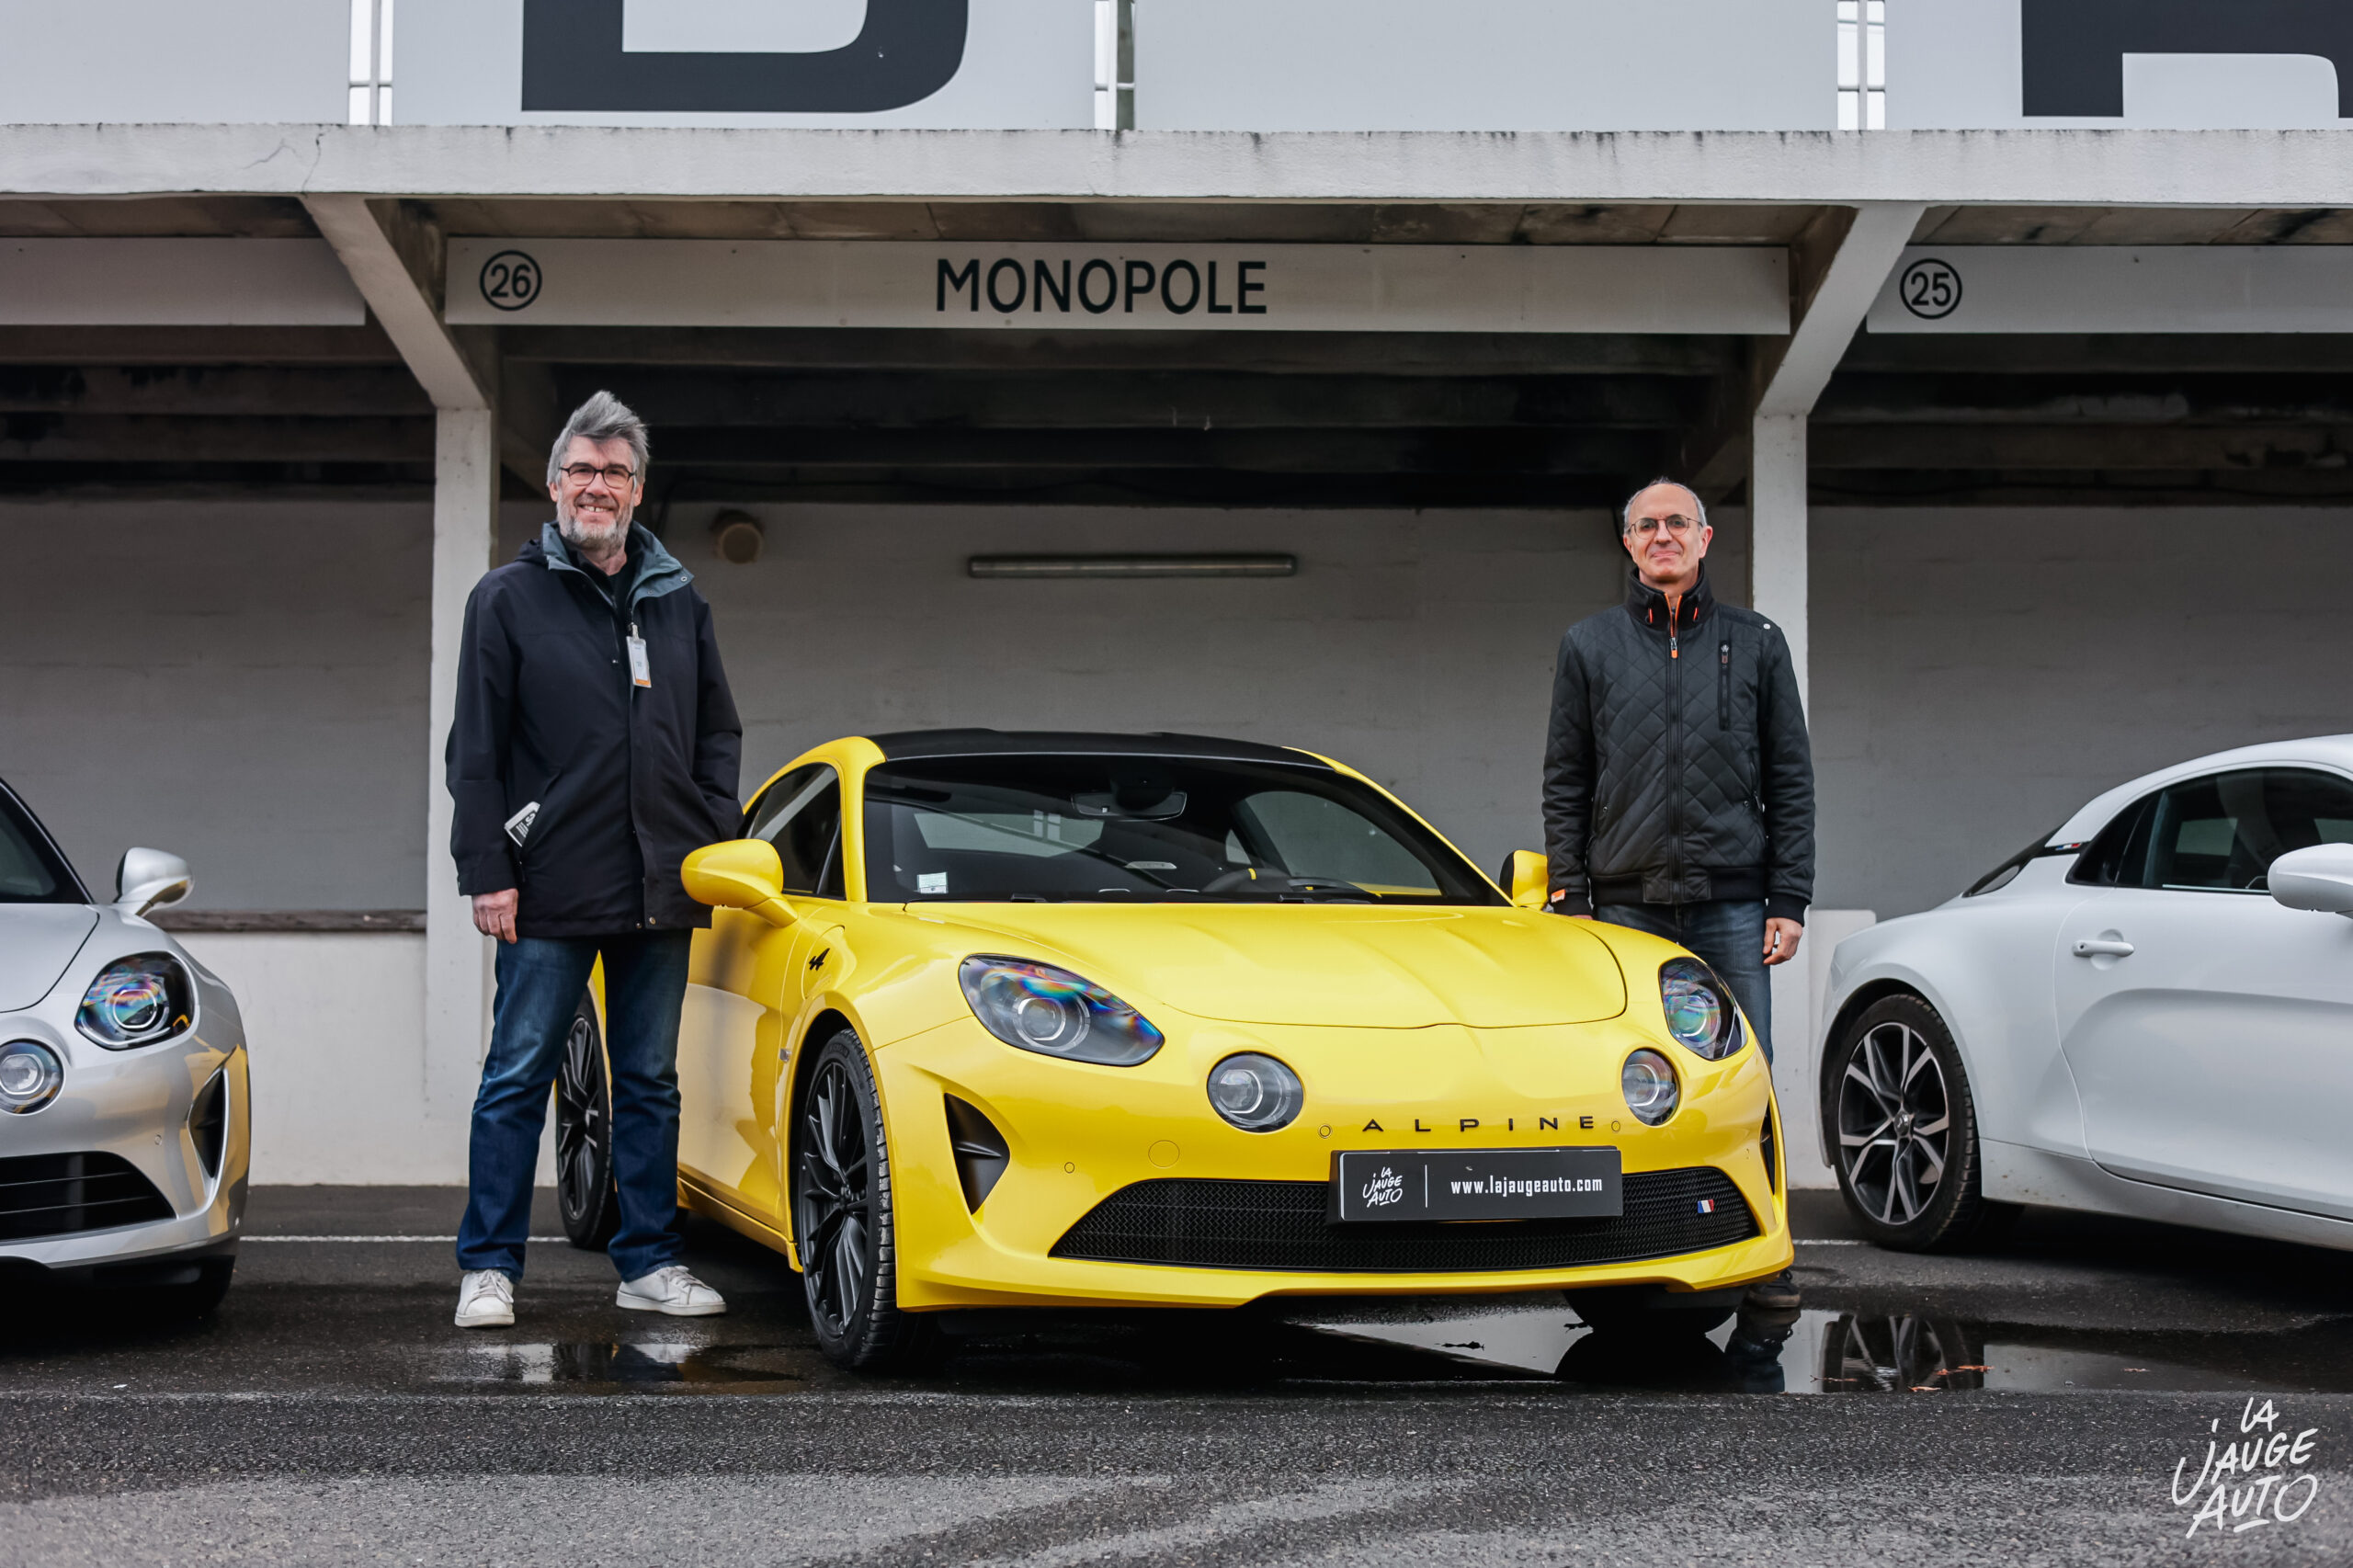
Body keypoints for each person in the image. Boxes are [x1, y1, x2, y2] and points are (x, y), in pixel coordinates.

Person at [444, 392, 742, 1329]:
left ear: (638, 489)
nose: (597, 486)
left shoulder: (678, 601)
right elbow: (475, 749)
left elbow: (717, 732)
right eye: (582, 469)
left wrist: (709, 834)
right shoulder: (506, 598)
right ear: (553, 484)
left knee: (649, 1080)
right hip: (546, 886)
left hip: (660, 884)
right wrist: (488, 869)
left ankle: (649, 1261)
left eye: (615, 472)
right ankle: (489, 1267)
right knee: (517, 1076)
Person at [1541, 477, 1814, 1312]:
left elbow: (1791, 778)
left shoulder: (1757, 642)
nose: (1662, 536)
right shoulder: (1588, 645)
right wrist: (1570, 892)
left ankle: (1763, 1251)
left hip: (1733, 904)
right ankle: (1628, 1247)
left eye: (1677, 523)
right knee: (1622, 1080)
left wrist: (1788, 897)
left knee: (1746, 1076)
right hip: (1624, 907)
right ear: (1627, 543)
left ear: (1704, 539)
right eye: (1646, 525)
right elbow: (1566, 778)